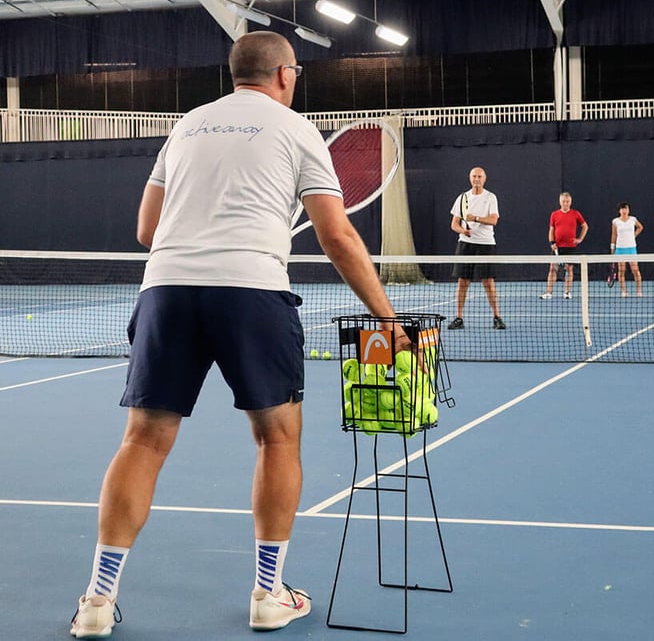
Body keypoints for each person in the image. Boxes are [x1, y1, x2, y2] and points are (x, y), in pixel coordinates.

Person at [69, 31, 412, 638]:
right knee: (277, 440)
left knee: (143, 442)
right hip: (251, 290)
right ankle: (268, 593)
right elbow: (337, 236)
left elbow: (147, 229)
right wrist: (386, 318)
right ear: (285, 74)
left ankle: (96, 603)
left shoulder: (188, 125)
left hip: (166, 289)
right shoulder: (296, 128)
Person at [447, 166, 505, 330]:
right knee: (463, 282)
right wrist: (463, 230)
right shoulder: (462, 198)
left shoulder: (490, 197)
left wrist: (476, 218)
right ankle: (459, 318)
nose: (476, 179)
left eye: (479, 176)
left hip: (486, 244)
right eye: (474, 176)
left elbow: (494, 220)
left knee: (488, 282)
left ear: (484, 179)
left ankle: (497, 317)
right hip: (465, 244)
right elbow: (454, 224)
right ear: (470, 178)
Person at [541, 191, 588, 299]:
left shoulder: (576, 214)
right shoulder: (554, 214)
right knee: (553, 269)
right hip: (557, 247)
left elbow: (585, 226)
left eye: (567, 201)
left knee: (569, 270)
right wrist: (552, 242)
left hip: (570, 247)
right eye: (563, 201)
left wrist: (580, 239)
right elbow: (551, 230)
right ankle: (548, 293)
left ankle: (567, 292)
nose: (565, 203)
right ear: (560, 202)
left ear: (570, 202)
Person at [611, 202, 644, 297]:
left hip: (631, 248)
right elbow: (614, 235)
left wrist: (633, 236)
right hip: (620, 249)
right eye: (622, 209)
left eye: (626, 208)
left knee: (635, 270)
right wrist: (612, 248)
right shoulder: (615, 221)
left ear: (628, 210)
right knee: (621, 271)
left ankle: (639, 291)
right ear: (619, 211)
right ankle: (624, 291)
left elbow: (640, 227)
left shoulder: (633, 219)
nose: (624, 211)